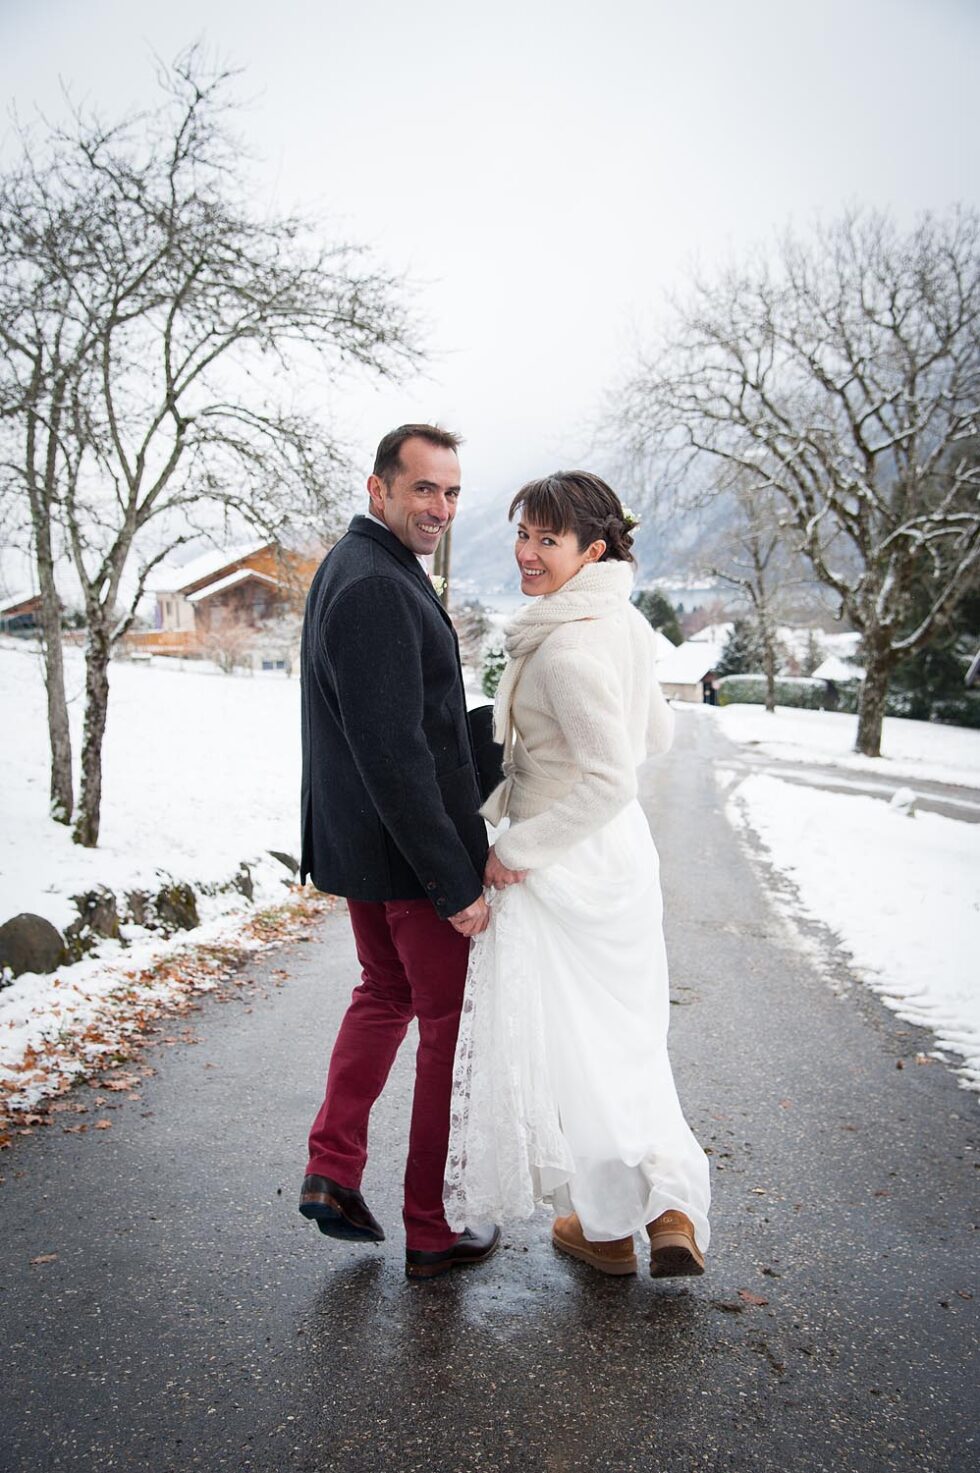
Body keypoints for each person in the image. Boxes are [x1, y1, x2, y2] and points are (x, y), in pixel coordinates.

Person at [444, 471, 711, 1278]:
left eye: (547, 540)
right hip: (621, 856)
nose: (527, 553)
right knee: (628, 1045)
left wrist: (514, 849)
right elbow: (655, 735)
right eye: (522, 534)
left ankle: (617, 1222)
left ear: (592, 550)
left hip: (564, 861)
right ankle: (656, 1209)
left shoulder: (563, 647)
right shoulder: (623, 621)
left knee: (580, 1058)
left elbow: (609, 778)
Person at [299, 423, 501, 1280]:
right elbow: (393, 752)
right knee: (448, 1029)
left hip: (367, 847)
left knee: (384, 994)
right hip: (409, 859)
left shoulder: (358, 564)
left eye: (451, 492)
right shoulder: (377, 583)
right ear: (378, 487)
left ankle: (333, 1167)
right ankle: (433, 1223)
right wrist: (452, 881)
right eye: (424, 488)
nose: (440, 507)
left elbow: (405, 720)